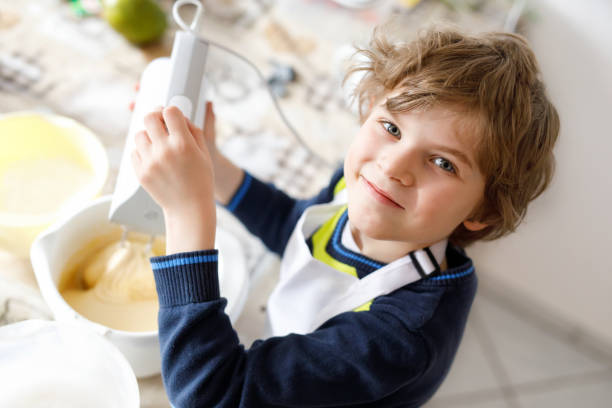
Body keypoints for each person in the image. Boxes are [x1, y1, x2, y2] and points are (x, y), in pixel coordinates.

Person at [131, 27, 559, 407]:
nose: (393, 166)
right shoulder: (356, 188)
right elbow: (294, 227)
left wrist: (187, 214)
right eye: (391, 127)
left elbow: (214, 395)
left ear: (482, 212)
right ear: (369, 107)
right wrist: (215, 167)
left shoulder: (403, 335)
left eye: (443, 163)